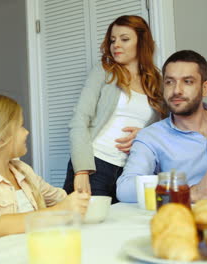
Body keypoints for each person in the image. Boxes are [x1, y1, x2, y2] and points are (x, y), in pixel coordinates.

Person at [116, 50, 207, 203]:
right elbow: (125, 190)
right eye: (169, 82)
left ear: (205, 88)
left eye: (187, 81)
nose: (176, 90)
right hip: (190, 222)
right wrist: (189, 192)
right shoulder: (150, 137)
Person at [63, 15, 166, 203]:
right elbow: (79, 119)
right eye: (112, 40)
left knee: (123, 226)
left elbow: (166, 128)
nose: (116, 45)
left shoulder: (156, 82)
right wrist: (82, 170)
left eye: (124, 39)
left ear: (141, 42)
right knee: (87, 228)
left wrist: (145, 134)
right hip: (94, 165)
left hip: (130, 171)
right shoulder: (103, 71)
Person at [0, 95, 90, 237]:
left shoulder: (23, 171)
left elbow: (59, 197)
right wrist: (55, 212)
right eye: (21, 126)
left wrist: (78, 201)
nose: (27, 132)